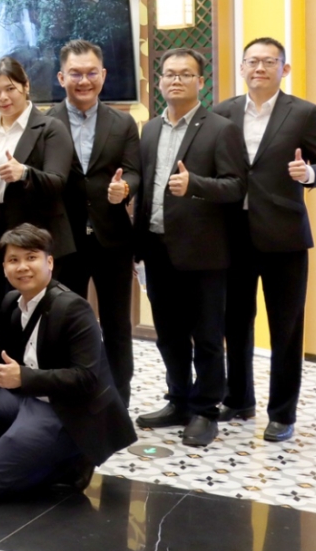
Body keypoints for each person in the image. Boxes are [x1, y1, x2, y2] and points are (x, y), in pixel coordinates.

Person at [0, 224, 137, 498]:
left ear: (49, 262)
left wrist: (24, 377)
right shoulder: (11, 301)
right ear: (4, 267)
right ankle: (29, 449)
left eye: (31, 257)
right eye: (13, 260)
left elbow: (86, 378)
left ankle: (71, 460)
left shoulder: (73, 308)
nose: (22, 267)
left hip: (66, 410)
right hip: (28, 400)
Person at [134, 48, 247, 447]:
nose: (176, 80)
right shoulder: (149, 129)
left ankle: (205, 410)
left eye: (185, 74)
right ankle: (179, 401)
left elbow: (236, 186)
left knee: (208, 336)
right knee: (169, 335)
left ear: (201, 81)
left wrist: (195, 184)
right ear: (159, 81)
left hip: (204, 252)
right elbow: (146, 186)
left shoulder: (220, 129)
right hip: (156, 246)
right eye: (169, 74)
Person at [217, 38, 316, 443]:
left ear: (283, 69)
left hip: (284, 235)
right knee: (234, 321)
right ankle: (239, 399)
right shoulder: (222, 112)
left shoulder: (304, 113)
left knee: (286, 329)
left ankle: (282, 413)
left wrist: (309, 175)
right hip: (232, 234)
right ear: (242, 67)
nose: (259, 68)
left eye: (269, 62)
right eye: (252, 61)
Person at [46, 40, 140, 405]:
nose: (83, 81)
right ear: (61, 77)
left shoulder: (123, 122)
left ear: (103, 75)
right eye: (75, 74)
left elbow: (133, 170)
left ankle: (118, 401)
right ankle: (68, 399)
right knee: (63, 322)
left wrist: (125, 188)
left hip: (112, 238)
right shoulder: (45, 122)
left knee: (117, 324)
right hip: (63, 239)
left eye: (91, 73)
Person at [0, 56, 75, 327]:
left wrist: (25, 173)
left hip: (33, 235)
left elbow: (58, 182)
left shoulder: (50, 128)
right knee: (0, 313)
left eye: (10, 89)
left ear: (26, 86)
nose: (3, 97)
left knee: (35, 318)